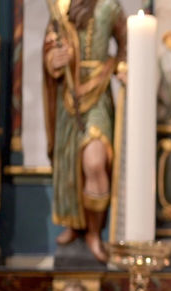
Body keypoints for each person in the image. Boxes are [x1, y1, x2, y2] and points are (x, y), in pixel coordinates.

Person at [43, 0, 127, 263]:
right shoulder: (60, 8)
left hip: (98, 91)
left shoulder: (109, 7)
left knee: (94, 162)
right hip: (68, 96)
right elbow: (50, 45)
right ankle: (75, 225)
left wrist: (122, 66)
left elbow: (127, 42)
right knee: (70, 164)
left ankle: (94, 232)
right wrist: (54, 59)